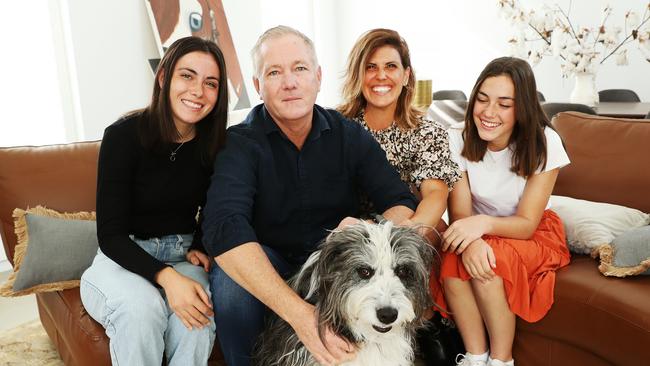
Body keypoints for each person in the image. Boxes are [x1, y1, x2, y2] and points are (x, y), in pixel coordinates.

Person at [201, 25, 418, 366]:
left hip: (335, 267)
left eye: (300, 68)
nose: (290, 82)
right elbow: (224, 228)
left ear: (317, 77)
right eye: (274, 72)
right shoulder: (239, 144)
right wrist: (302, 316)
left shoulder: (348, 135)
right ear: (258, 86)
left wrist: (367, 227)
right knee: (230, 281)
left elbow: (402, 205)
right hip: (269, 265)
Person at [80, 36, 229, 365]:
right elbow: (110, 235)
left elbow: (220, 203)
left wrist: (201, 244)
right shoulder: (122, 136)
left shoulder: (215, 145)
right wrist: (167, 278)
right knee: (141, 310)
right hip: (123, 258)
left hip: (182, 253)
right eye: (187, 76)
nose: (197, 91)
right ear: (164, 78)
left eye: (210, 83)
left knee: (198, 319)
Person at [436, 57, 571, 366]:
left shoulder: (544, 142)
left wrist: (480, 227)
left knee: (490, 266)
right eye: (482, 100)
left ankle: (501, 360)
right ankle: (475, 356)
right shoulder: (456, 137)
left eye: (504, 104)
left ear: (521, 107)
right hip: (474, 228)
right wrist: (470, 240)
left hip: (530, 232)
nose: (488, 112)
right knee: (452, 262)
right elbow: (459, 212)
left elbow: (525, 224)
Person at [339, 27, 460, 235]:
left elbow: (435, 195)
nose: (381, 75)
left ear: (406, 75)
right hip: (349, 232)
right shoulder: (338, 127)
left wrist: (405, 232)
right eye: (370, 67)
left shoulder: (428, 133)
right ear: (357, 75)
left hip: (408, 228)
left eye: (391, 66)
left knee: (433, 230)